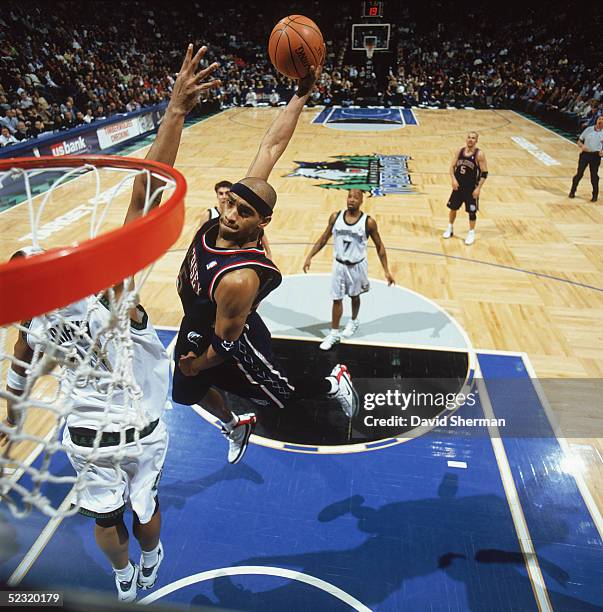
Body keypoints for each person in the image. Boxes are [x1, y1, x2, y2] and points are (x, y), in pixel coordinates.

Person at [0, 44, 219, 603]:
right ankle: (146, 563)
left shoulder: (33, 328)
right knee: (142, 510)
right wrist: (173, 113)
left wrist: (9, 425)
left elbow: (19, 385)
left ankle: (129, 573)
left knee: (110, 518)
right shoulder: (108, 295)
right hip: (134, 426)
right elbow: (144, 197)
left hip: (86, 434)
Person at [173, 63, 359, 465]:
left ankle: (332, 382)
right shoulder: (237, 204)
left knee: (277, 392)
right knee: (184, 394)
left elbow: (223, 344)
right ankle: (235, 423)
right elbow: (270, 148)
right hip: (202, 316)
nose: (231, 214)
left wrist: (199, 364)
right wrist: (301, 93)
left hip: (230, 334)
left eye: (244, 212)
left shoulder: (239, 277)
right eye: (230, 203)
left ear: (262, 223)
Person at [303, 189, 395, 350]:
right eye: (350, 196)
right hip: (339, 265)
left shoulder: (368, 222)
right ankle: (334, 333)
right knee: (336, 299)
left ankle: (353, 320)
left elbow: (380, 246)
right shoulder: (335, 217)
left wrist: (386, 270)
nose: (352, 200)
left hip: (357, 265)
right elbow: (324, 238)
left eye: (356, 197)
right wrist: (310, 256)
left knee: (354, 296)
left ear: (361, 201)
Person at [200, 180, 272, 259]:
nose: (224, 196)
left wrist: (268, 252)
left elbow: (261, 233)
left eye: (226, 193)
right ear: (216, 195)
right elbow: (198, 232)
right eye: (220, 193)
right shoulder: (209, 214)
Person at [442, 131, 488, 245]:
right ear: (466, 139)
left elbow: (485, 173)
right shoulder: (460, 151)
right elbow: (452, 167)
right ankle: (450, 228)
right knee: (453, 208)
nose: (470, 140)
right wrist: (453, 179)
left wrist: (478, 188)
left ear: (476, 141)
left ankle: (471, 233)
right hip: (458, 187)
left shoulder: (479, 154)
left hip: (471, 189)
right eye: (469, 137)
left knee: (471, 212)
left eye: (473, 138)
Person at [569, 115, 603, 202]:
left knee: (594, 176)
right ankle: (573, 191)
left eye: (602, 120)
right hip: (585, 155)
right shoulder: (589, 129)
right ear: (596, 120)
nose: (601, 121)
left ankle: (595, 195)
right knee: (579, 173)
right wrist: (582, 146)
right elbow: (579, 140)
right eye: (600, 119)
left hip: (596, 156)